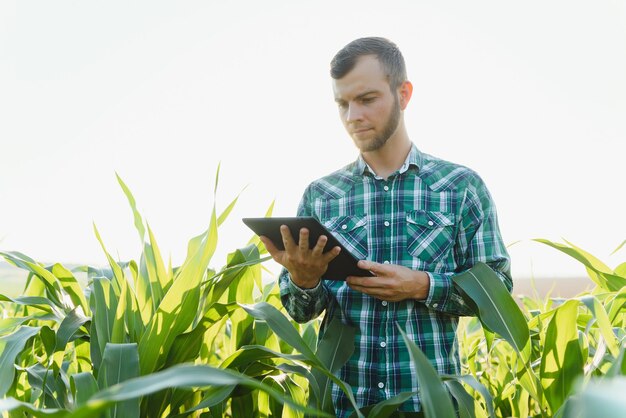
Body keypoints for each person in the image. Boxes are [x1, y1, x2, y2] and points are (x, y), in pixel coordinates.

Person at [260, 37, 512, 417]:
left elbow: (499, 291)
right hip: (345, 406)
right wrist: (304, 279)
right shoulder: (322, 195)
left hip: (431, 407)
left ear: (404, 94)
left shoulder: (462, 187)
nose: (352, 117)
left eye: (366, 99)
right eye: (342, 104)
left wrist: (422, 285)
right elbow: (299, 310)